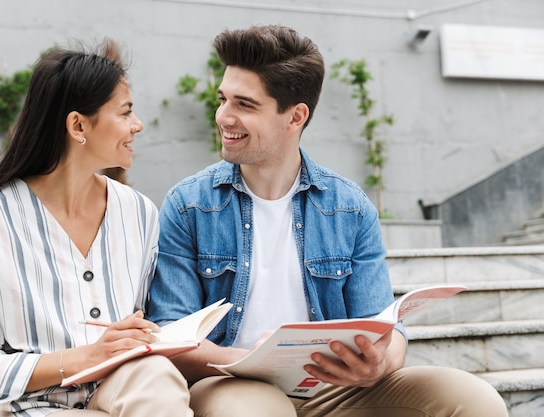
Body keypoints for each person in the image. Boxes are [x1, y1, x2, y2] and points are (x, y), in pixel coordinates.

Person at [146, 25, 508, 417]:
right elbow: (172, 334)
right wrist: (254, 357)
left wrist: (379, 363)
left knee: (473, 399)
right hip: (228, 384)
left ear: (295, 116)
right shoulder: (188, 205)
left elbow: (383, 325)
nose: (224, 117)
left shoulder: (349, 208)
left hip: (329, 389)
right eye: (224, 100)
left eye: (245, 105)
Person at [0, 39, 193, 417]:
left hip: (115, 390)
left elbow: (148, 324)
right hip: (22, 406)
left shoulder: (138, 212)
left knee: (156, 379)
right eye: (126, 112)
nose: (137, 125)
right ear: (78, 125)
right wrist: (84, 357)